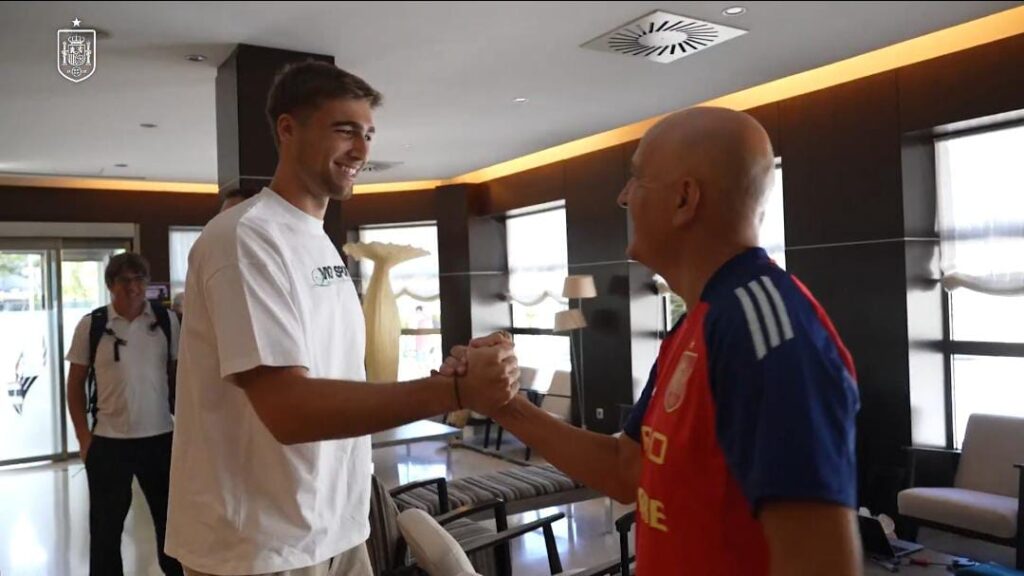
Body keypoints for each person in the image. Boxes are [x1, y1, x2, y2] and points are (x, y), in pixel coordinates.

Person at [444, 107, 862, 575]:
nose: (623, 197)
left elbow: (820, 560)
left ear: (685, 198)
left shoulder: (765, 328)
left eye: (636, 178)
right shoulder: (695, 323)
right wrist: (504, 404)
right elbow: (627, 469)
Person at [165, 61, 519, 576]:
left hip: (338, 527)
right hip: (258, 547)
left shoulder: (319, 242)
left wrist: (455, 374)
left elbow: (336, 378)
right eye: (345, 130)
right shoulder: (244, 237)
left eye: (369, 133)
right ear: (288, 130)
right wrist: (454, 393)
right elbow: (288, 408)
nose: (363, 150)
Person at [66, 252, 183, 576]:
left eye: (139, 280)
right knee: (105, 531)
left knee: (171, 526)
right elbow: (74, 384)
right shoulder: (93, 324)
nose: (133, 287)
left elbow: (178, 378)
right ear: (110, 285)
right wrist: (84, 438)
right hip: (108, 442)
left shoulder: (165, 321)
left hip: (159, 439)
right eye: (124, 280)